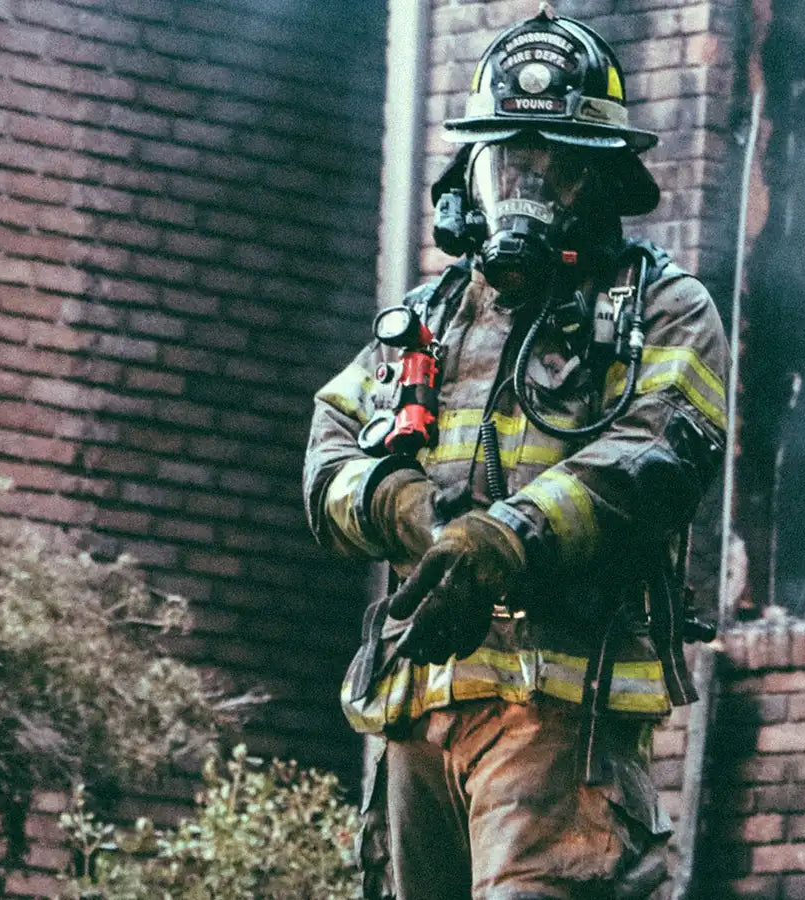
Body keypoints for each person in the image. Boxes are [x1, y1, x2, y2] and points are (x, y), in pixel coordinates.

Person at [303, 7, 729, 899]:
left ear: (607, 183)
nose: (528, 193)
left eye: (558, 168)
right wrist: (402, 507)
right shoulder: (427, 318)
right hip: (416, 709)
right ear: (469, 181)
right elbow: (328, 454)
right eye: (509, 164)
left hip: (561, 718)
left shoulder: (664, 311)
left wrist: (505, 539)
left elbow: (654, 457)